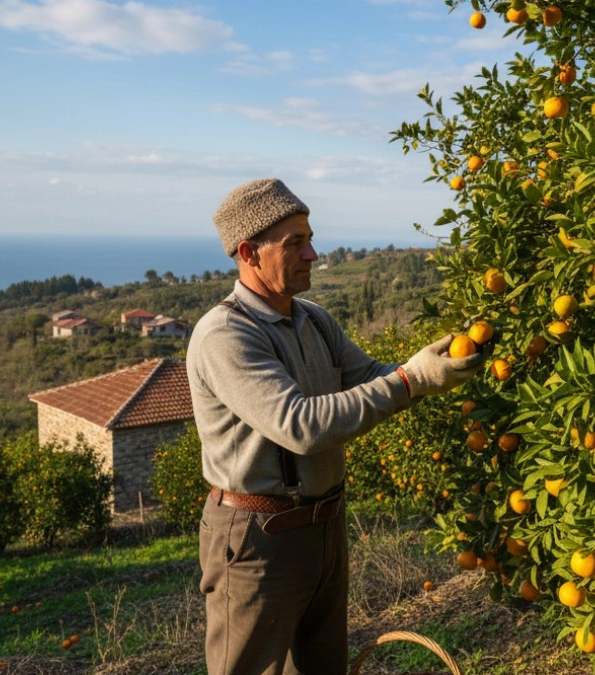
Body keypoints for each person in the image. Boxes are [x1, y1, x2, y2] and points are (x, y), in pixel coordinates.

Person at [188, 178, 482, 675]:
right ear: (248, 252)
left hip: (324, 525)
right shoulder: (225, 334)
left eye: (310, 238)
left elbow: (372, 378)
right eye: (294, 243)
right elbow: (300, 425)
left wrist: (438, 365)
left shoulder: (315, 320)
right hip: (256, 538)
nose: (313, 254)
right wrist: (413, 380)